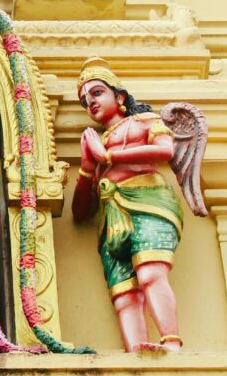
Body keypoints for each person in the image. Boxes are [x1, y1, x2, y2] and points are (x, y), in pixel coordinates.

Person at [72, 57, 185, 353]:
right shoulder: (97, 141)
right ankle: (135, 356)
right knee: (124, 294)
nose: (90, 102)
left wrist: (107, 157)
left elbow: (165, 150)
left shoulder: (144, 121)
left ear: (119, 97)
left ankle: (171, 341)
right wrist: (87, 167)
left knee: (150, 273)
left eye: (97, 92)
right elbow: (80, 213)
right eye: (84, 100)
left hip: (149, 202)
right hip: (111, 215)